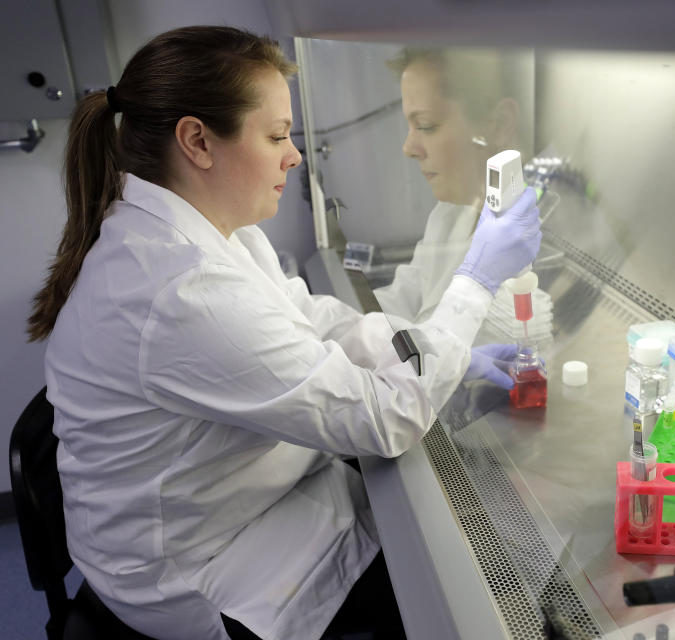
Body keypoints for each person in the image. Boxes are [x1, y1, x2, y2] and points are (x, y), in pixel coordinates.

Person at [26, 26, 540, 640]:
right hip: (198, 571)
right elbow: (385, 422)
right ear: (197, 141)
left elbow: (310, 321)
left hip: (233, 504)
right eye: (275, 136)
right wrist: (477, 279)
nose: (294, 155)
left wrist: (434, 349)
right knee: (451, 587)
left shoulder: (209, 228)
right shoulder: (177, 289)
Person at [374, 47, 554, 374]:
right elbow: (403, 299)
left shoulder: (533, 238)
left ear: (498, 124)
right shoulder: (450, 214)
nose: (408, 148)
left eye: (426, 126)